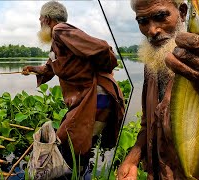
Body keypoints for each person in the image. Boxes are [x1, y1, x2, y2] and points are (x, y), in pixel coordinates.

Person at [117, 0, 199, 179]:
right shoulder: (152, 64)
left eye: (160, 16)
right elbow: (146, 123)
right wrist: (132, 160)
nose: (152, 30)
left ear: (182, 12)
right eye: (142, 21)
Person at [22, 0, 125, 176]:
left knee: (71, 142)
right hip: (84, 98)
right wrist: (32, 69)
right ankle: (78, 173)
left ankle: (76, 174)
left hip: (96, 96)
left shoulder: (60, 30)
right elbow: (50, 68)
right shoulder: (57, 43)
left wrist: (101, 72)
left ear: (47, 19)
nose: (39, 23)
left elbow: (101, 49)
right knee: (76, 143)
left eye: (40, 19)